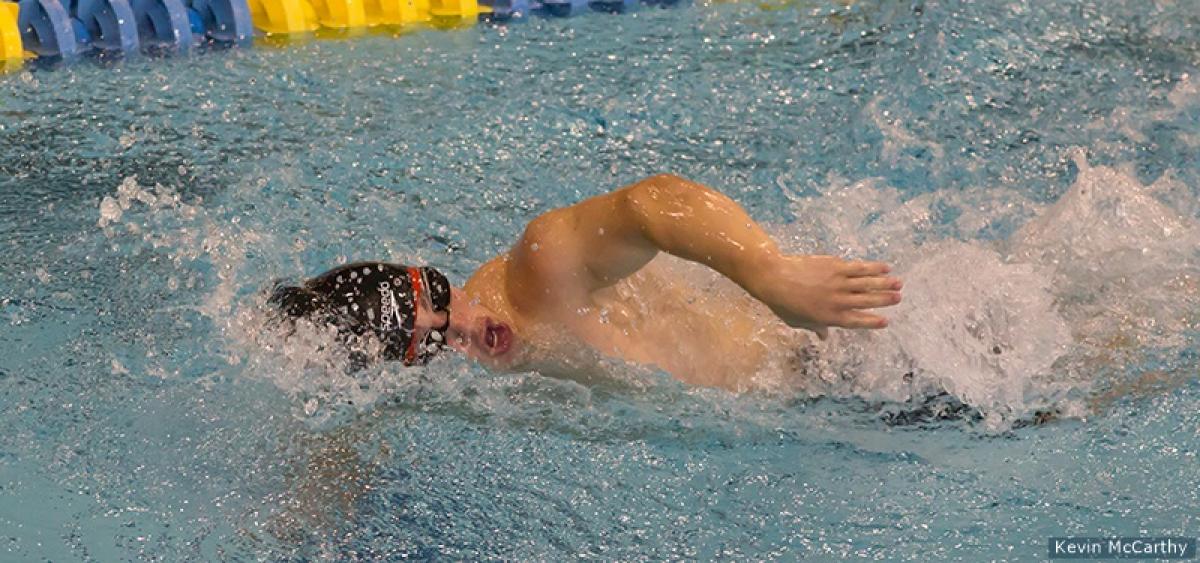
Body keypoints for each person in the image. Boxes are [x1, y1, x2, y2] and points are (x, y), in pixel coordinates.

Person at [270, 174, 903, 390]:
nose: (467, 326)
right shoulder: (478, 389)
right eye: (432, 343)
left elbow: (655, 202)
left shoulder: (538, 273)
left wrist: (774, 276)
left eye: (439, 295)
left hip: (856, 352)